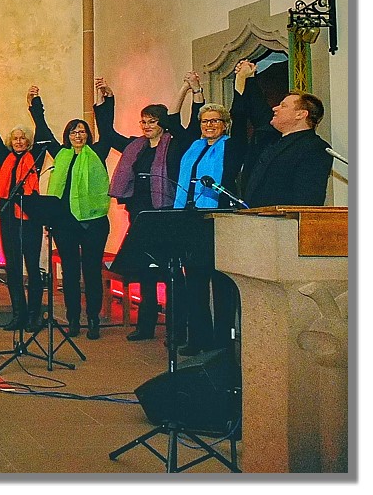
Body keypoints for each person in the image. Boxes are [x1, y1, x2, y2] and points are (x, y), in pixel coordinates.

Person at [96, 77, 188, 343]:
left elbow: (175, 117)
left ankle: (175, 329)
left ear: (162, 124)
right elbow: (108, 133)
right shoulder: (135, 146)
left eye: (152, 121)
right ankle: (145, 326)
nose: (147, 126)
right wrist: (108, 99)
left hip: (166, 214)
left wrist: (183, 90)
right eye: (144, 121)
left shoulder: (174, 145)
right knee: (146, 271)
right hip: (140, 214)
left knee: (171, 272)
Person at [168, 79, 249, 355]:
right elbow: (174, 121)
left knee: (221, 283)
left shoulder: (232, 145)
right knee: (196, 283)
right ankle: (198, 338)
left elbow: (241, 115)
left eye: (215, 121)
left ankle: (222, 341)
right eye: (205, 121)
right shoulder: (193, 146)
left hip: (218, 218)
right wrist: (190, 91)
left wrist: (241, 84)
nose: (209, 125)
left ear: (225, 124)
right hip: (191, 219)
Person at [28, 84, 112, 339]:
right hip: (64, 222)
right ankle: (74, 319)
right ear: (68, 135)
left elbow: (107, 130)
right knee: (71, 273)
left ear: (88, 135)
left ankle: (93, 319)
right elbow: (43, 129)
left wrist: (105, 101)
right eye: (74, 132)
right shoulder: (61, 154)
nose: (78, 135)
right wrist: (35, 103)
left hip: (93, 221)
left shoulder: (97, 152)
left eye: (82, 131)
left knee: (91, 271)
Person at [0, 91, 46, 332]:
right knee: (13, 267)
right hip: (8, 218)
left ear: (28, 142)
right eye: (15, 138)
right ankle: (19, 314)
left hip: (30, 219)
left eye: (22, 138)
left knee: (33, 266)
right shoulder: (4, 156)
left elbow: (44, 132)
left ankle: (35, 316)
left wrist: (35, 104)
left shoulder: (35, 158)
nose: (18, 142)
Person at [232, 58, 333, 207]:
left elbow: (306, 201)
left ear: (300, 114)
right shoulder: (273, 139)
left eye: (283, 106)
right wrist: (247, 78)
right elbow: (257, 109)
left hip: (283, 226)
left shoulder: (315, 148)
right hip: (254, 221)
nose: (275, 108)